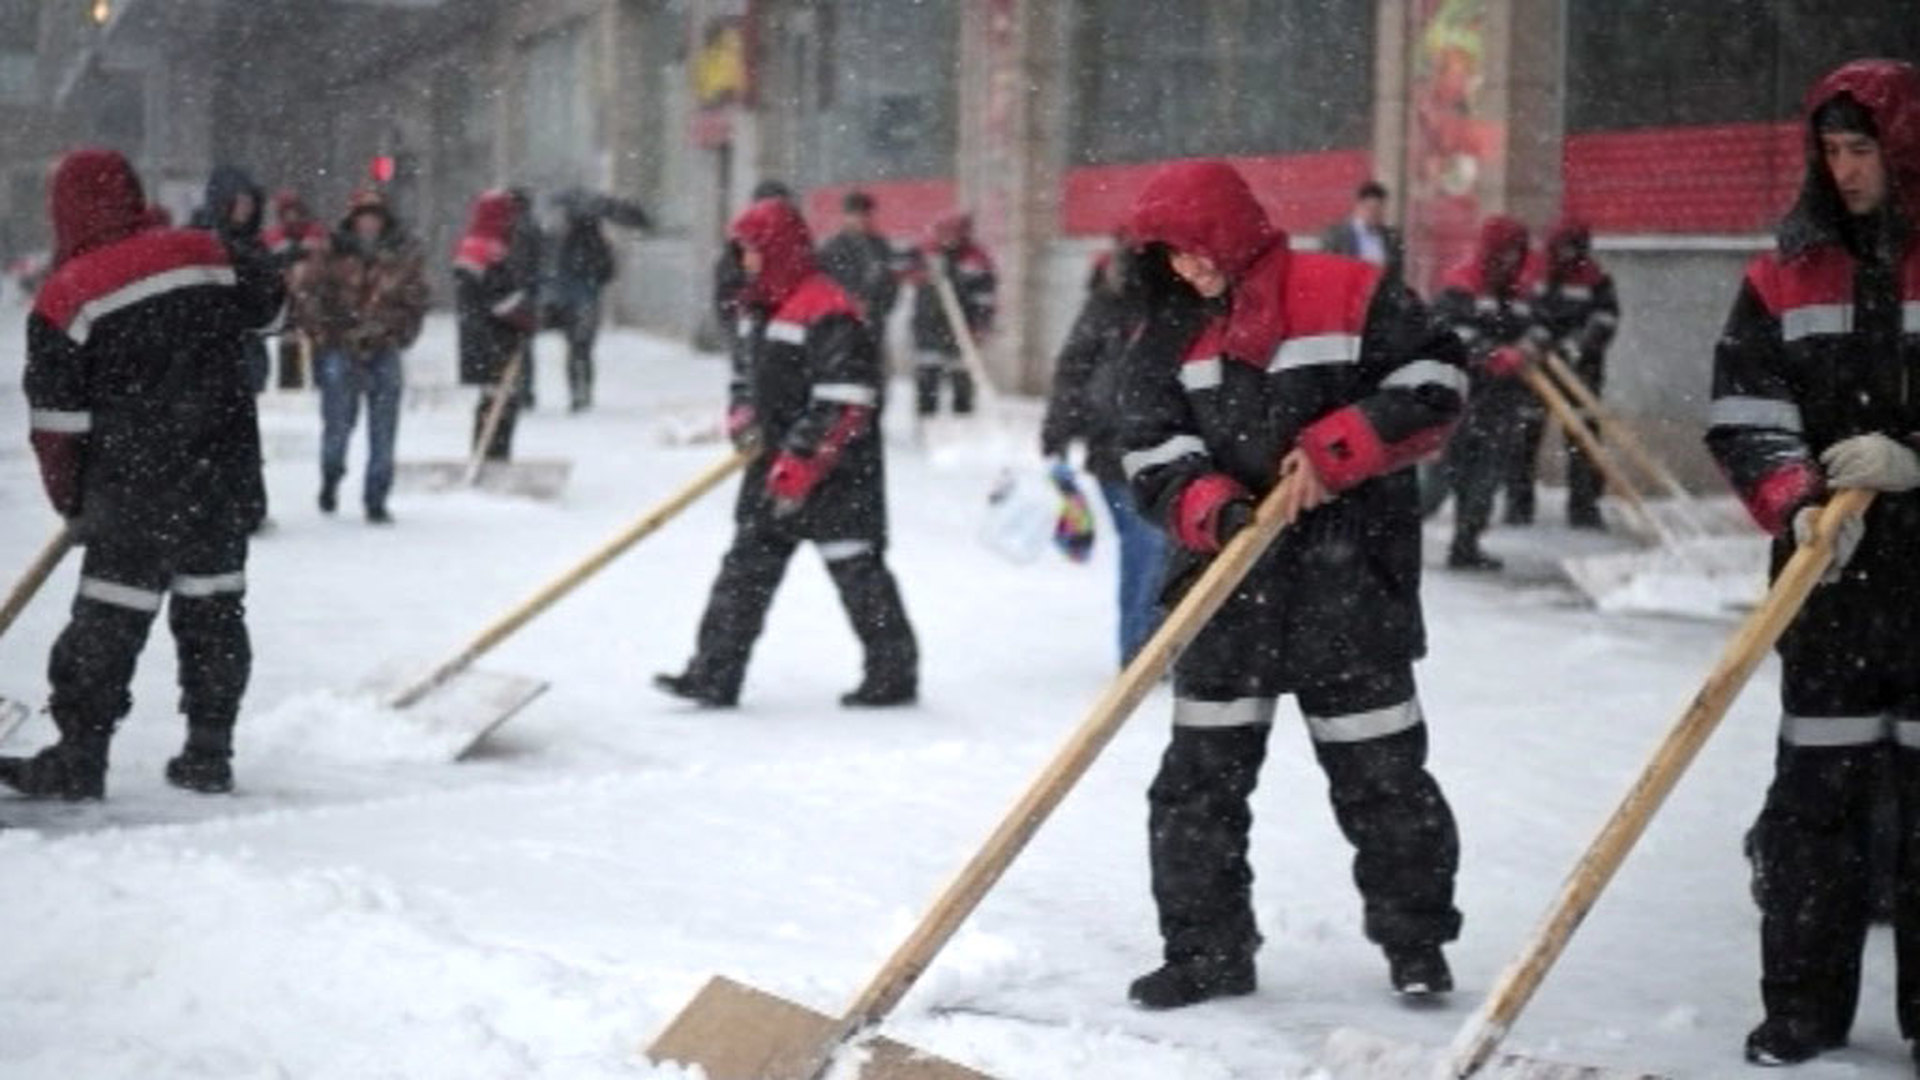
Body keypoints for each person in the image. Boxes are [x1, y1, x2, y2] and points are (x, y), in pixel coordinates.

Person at [1118, 159, 1467, 1009]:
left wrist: (1342, 444)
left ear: (1233, 231)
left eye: (1198, 250)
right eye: (1169, 255)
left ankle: (1416, 941)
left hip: (1351, 586)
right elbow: (1146, 444)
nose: (1188, 270)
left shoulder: (1349, 292)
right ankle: (1207, 952)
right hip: (1226, 590)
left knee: (1384, 778)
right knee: (1198, 785)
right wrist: (1214, 507)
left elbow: (1440, 381)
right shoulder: (1166, 332)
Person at [1703, 58, 1920, 1070]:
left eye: (1863, 150)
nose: (1845, 171)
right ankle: (1801, 1008)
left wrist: (1916, 463)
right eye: (1829, 153)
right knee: (1813, 805)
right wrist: (1795, 507)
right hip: (1832, 583)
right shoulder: (1784, 274)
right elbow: (1746, 411)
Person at [3, 147, 284, 799]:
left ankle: (80, 757)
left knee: (107, 621)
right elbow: (273, 312)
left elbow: (57, 425)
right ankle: (209, 754)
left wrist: (72, 497)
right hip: (221, 474)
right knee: (213, 610)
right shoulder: (207, 253)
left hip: (133, 491)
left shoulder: (67, 294)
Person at [656, 196, 919, 709]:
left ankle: (892, 674)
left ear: (777, 249)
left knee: (858, 572)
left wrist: (802, 461)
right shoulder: (758, 307)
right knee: (745, 570)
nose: (745, 259)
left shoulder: (829, 310)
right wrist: (743, 418)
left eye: (752, 249)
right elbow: (745, 378)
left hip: (839, 472)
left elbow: (848, 399)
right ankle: (714, 673)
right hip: (770, 465)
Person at [1039, 238, 1167, 667]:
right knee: (1146, 544)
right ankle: (1140, 648)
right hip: (1114, 448)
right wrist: (1057, 434)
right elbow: (1072, 371)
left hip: (1165, 446)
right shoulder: (1104, 311)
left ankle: (1156, 639)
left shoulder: (1173, 310)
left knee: (1161, 546)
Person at [294, 189, 428, 524]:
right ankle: (331, 476)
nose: (369, 223)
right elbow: (307, 293)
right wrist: (323, 333)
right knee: (337, 425)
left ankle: (376, 497)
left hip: (383, 347)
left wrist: (399, 331)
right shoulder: (331, 252)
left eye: (375, 216)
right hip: (341, 346)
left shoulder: (402, 254)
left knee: (384, 429)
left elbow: (417, 297)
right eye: (363, 216)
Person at [1432, 215, 1537, 568]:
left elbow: (1534, 328)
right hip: (1461, 396)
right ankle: (1381, 538)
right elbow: (1447, 333)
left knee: (1487, 476)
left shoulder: (1519, 291)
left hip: (1502, 400)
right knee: (1442, 477)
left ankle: (1466, 544)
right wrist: (1489, 354)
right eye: (1506, 252)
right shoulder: (1462, 283)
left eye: (1516, 253)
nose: (1511, 260)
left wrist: (1527, 348)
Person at [1512, 219, 1619, 529]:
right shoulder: (1538, 275)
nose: (1565, 254)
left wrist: (1579, 345)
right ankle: (1518, 505)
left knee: (1582, 438)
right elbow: (1525, 312)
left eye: (1572, 248)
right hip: (1538, 370)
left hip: (1581, 371)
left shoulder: (1596, 279)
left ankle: (1584, 506)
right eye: (1561, 248)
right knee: (1524, 435)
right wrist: (1537, 338)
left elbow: (1606, 319)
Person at [454, 189, 539, 463]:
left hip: (492, 335)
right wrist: (522, 313)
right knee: (497, 402)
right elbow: (492, 296)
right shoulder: (485, 248)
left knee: (499, 400)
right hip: (490, 338)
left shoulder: (484, 245)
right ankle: (490, 457)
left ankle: (491, 455)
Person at [908, 210, 996, 417]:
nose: (949, 239)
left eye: (954, 233)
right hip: (928, 325)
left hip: (962, 328)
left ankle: (962, 417)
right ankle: (927, 419)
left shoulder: (975, 259)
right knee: (928, 372)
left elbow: (985, 297)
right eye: (945, 233)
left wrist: (981, 325)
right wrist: (920, 273)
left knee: (961, 374)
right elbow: (902, 270)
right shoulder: (925, 253)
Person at [548, 192, 620, 412]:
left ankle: (575, 392)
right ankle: (585, 390)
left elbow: (556, 270)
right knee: (585, 349)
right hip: (589, 298)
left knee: (572, 348)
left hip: (568, 299)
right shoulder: (598, 242)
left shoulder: (563, 241)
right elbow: (608, 272)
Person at [817, 189, 902, 353]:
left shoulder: (880, 246)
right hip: (841, 323)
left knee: (872, 365)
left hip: (874, 320)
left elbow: (890, 282)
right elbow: (825, 284)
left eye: (865, 215)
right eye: (856, 215)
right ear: (845, 216)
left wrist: (878, 306)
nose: (861, 220)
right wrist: (849, 302)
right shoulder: (833, 248)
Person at [263, 189, 328, 389]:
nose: (292, 217)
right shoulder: (274, 236)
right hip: (289, 301)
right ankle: (291, 382)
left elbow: (321, 262)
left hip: (312, 300)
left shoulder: (315, 234)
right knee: (289, 341)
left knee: (318, 340)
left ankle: (319, 380)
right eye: (287, 212)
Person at [1319, 180, 1404, 276]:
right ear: (1358, 207)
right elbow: (1328, 271)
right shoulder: (1336, 236)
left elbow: (1396, 275)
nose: (1374, 214)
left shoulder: (1391, 237)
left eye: (1379, 209)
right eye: (1369, 208)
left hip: (1382, 288)